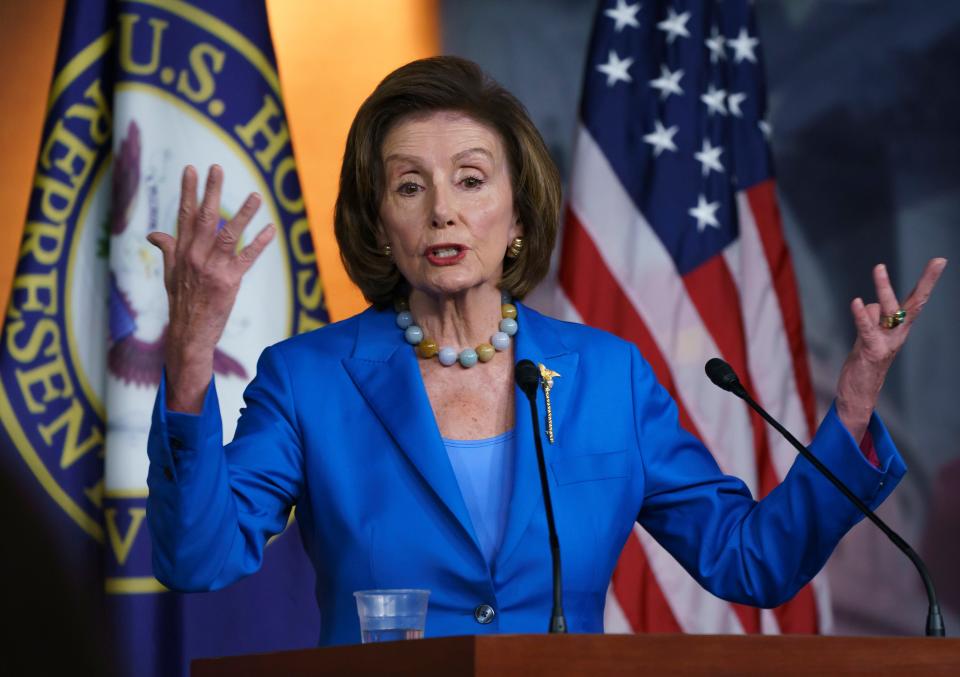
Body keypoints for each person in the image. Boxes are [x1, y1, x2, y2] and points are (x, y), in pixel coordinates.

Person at [145, 56, 946, 645]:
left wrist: (854, 404)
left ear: (519, 214)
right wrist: (188, 359)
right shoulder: (309, 379)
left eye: (470, 179)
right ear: (379, 221)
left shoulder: (608, 378)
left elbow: (750, 562)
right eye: (410, 186)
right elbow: (196, 555)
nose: (443, 214)